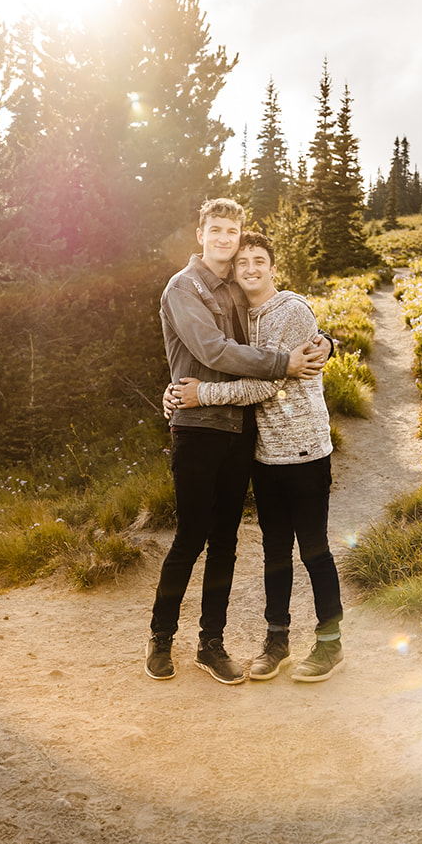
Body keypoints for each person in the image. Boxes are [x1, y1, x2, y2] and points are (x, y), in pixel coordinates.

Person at [150, 199, 328, 685]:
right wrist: (281, 364)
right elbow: (213, 350)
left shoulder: (236, 284)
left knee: (225, 543)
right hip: (198, 429)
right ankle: (160, 640)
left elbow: (283, 313)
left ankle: (211, 644)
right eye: (217, 230)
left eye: (233, 231)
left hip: (240, 431)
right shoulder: (182, 288)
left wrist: (322, 340)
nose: (226, 239)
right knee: (189, 538)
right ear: (201, 233)